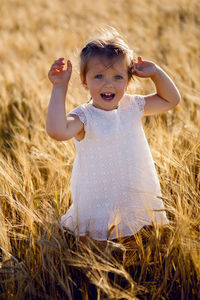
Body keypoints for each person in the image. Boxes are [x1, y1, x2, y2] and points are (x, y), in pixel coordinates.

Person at [46, 29, 180, 252]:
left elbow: (171, 100)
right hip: (98, 191)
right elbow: (57, 131)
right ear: (84, 81)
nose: (108, 84)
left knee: (139, 226)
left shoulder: (133, 105)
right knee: (94, 234)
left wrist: (156, 73)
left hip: (131, 185)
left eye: (118, 77)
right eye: (98, 76)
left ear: (128, 81)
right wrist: (59, 87)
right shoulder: (84, 117)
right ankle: (92, 248)